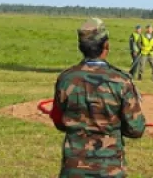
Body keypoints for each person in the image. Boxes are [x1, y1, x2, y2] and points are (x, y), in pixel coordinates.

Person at [49, 17, 146, 178]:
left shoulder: (66, 79)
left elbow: (59, 121)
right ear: (106, 45)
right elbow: (136, 128)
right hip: (109, 169)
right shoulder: (121, 81)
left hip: (74, 168)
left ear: (81, 47)